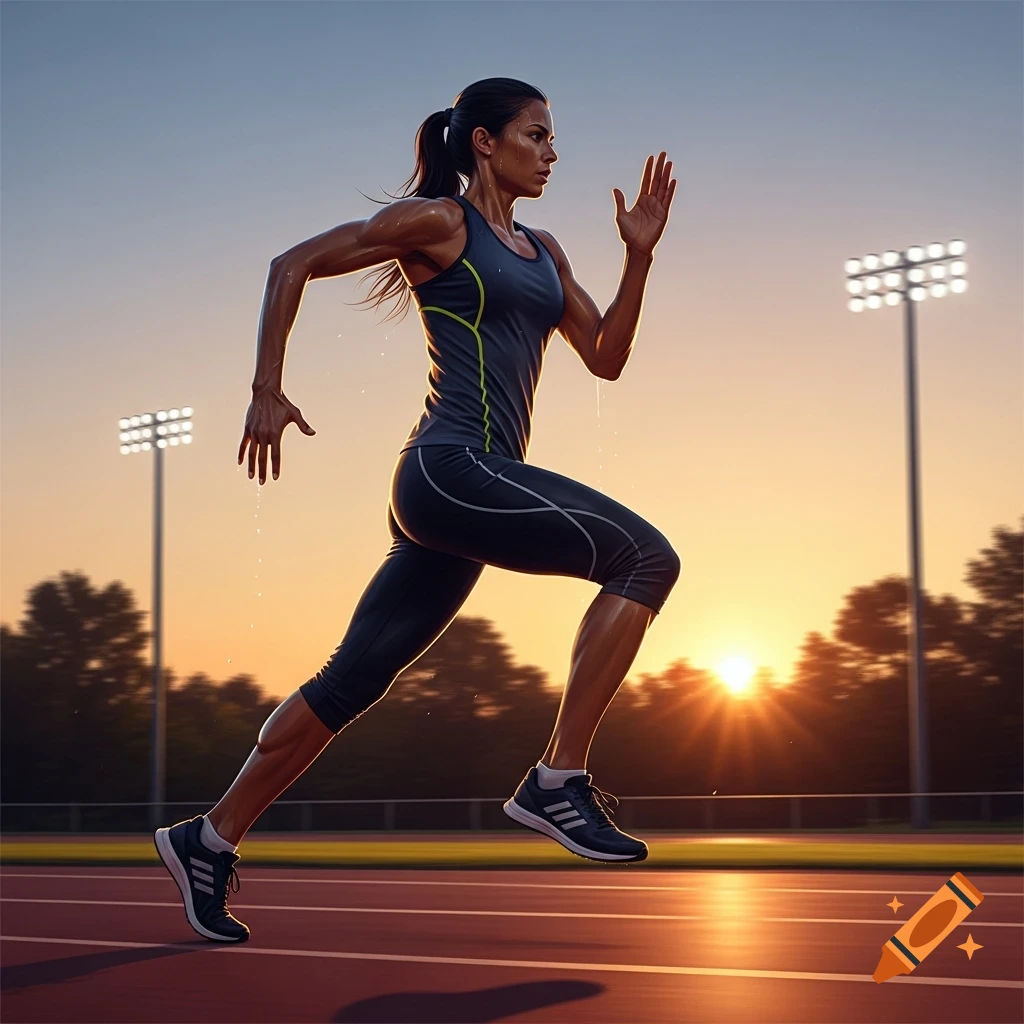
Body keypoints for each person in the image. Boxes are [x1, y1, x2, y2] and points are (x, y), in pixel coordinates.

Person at [155, 77, 680, 944]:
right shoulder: (442, 224)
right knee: (645, 558)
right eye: (536, 135)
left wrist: (640, 256)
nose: (552, 152)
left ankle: (208, 840)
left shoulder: (547, 252)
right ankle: (559, 780)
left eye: (554, 139)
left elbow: (607, 357)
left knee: (353, 680)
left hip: (470, 492)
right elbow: (294, 264)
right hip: (448, 470)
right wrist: (264, 391)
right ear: (484, 141)